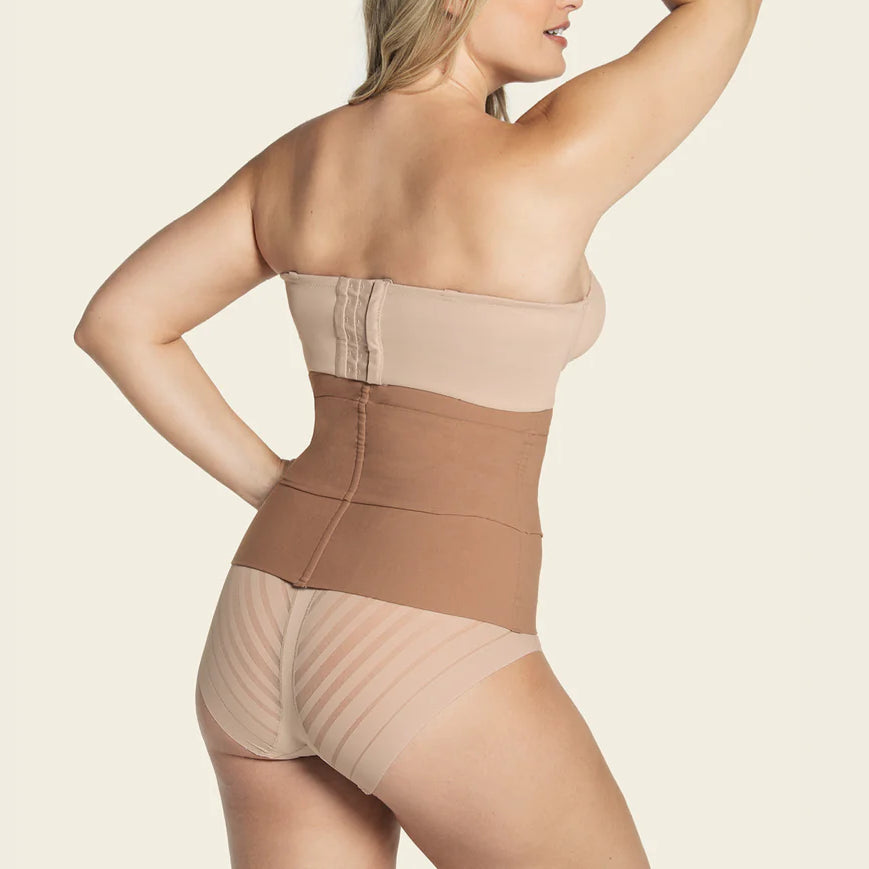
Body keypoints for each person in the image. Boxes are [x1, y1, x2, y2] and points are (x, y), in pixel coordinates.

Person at [74, 0, 762, 866]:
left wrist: (279, 488)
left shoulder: (300, 160)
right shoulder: (551, 156)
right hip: (429, 644)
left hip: (256, 630)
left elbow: (122, 321)